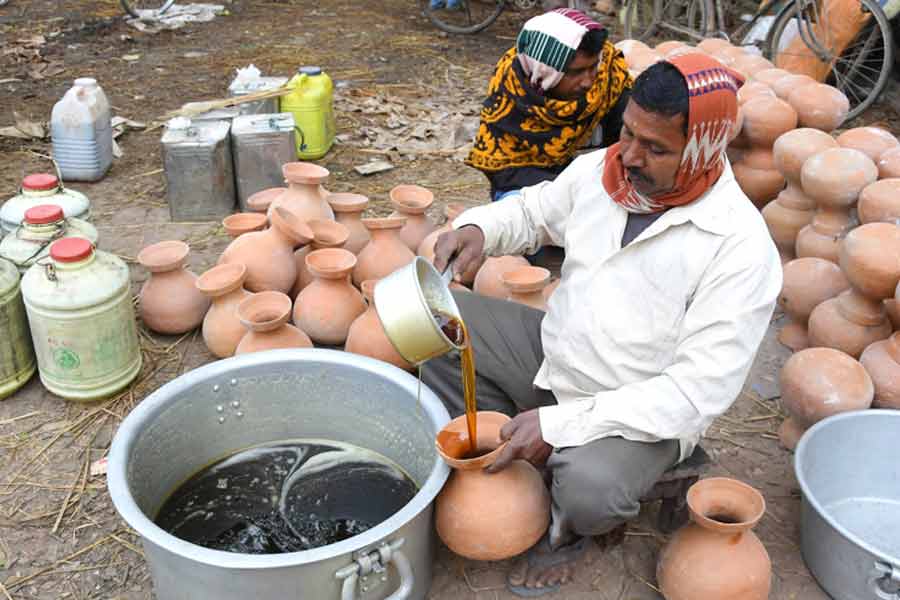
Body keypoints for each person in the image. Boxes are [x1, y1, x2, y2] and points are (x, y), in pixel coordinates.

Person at [426, 55, 782, 597]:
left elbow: (694, 393)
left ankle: (568, 531)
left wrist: (560, 425)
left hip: (638, 412)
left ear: (703, 149)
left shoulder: (739, 247)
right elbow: (534, 211)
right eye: (628, 133)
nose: (630, 155)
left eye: (655, 148)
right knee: (440, 322)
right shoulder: (603, 171)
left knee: (592, 492)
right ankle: (502, 457)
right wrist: (478, 229)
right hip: (558, 357)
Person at [465, 8, 632, 202]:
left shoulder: (610, 80)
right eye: (575, 72)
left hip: (600, 186)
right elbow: (505, 172)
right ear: (543, 70)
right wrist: (569, 191)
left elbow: (628, 147)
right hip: (538, 189)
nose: (588, 82)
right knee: (516, 203)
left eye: (593, 67)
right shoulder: (510, 95)